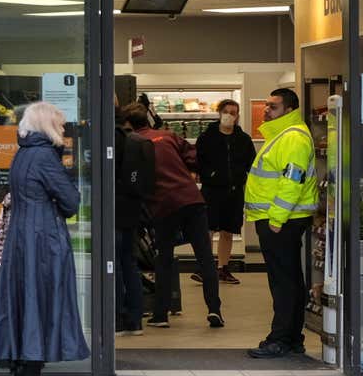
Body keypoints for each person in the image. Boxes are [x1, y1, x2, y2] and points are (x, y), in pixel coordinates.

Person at [0, 101, 88, 376]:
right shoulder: (46, 157)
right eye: (59, 124)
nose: (63, 129)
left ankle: (18, 372)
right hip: (44, 239)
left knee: (21, 300)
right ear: (47, 126)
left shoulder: (21, 155)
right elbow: (71, 201)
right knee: (43, 299)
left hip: (20, 238)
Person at [121, 104, 223, 330]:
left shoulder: (133, 144)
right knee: (205, 257)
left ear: (128, 124)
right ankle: (214, 310)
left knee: (164, 259)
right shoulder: (168, 136)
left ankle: (161, 315)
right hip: (191, 199)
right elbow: (194, 160)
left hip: (163, 205)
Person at [245, 88, 319, 359]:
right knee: (287, 280)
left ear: (289, 109)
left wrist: (276, 219)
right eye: (266, 105)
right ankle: (290, 338)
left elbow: (292, 181)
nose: (266, 110)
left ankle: (281, 339)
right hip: (279, 219)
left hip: (282, 220)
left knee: (284, 282)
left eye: (273, 106)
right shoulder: (282, 134)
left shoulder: (293, 138)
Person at [194, 99, 256, 287]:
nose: (230, 115)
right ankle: (204, 268)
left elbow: (251, 163)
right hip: (211, 191)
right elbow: (198, 162)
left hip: (234, 192)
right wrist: (209, 175)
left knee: (228, 231)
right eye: (227, 111)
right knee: (208, 230)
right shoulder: (206, 137)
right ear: (220, 113)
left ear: (237, 116)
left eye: (234, 112)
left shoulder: (243, 139)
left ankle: (223, 268)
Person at [114, 104, 155, 336]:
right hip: (133, 211)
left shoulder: (111, 139)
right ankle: (135, 319)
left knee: (113, 265)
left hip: (113, 211)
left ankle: (117, 318)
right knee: (129, 263)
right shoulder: (137, 142)